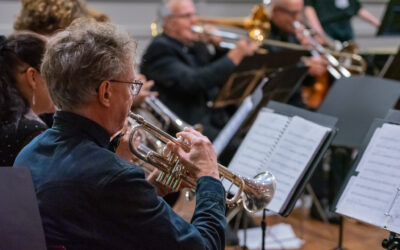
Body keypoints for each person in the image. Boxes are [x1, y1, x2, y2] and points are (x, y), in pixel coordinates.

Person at [13, 19, 226, 249]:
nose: (132, 96)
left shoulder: (29, 154)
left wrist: (152, 190)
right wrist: (209, 177)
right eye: (131, 86)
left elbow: (95, 218)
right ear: (105, 93)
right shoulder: (113, 178)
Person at [140, 0, 258, 140]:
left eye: (194, 14)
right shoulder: (159, 49)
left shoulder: (195, 45)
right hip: (189, 128)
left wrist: (219, 49)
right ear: (169, 22)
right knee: (238, 146)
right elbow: (193, 81)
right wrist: (233, 57)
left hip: (215, 118)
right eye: (187, 16)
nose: (194, 20)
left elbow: (218, 78)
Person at [0, 32, 54, 166]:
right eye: (53, 75)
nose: (58, 85)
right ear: (33, 77)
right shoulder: (29, 131)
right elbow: (25, 187)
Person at [267, 0, 328, 108]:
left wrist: (307, 51)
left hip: (295, 103)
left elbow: (307, 83)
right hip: (272, 105)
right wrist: (304, 67)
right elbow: (271, 72)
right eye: (293, 13)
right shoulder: (263, 33)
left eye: (299, 12)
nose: (297, 18)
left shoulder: (293, 34)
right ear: (276, 11)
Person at [304, 0, 381, 43]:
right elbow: (309, 8)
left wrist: (378, 23)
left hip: (346, 29)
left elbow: (357, 8)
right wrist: (319, 33)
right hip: (327, 29)